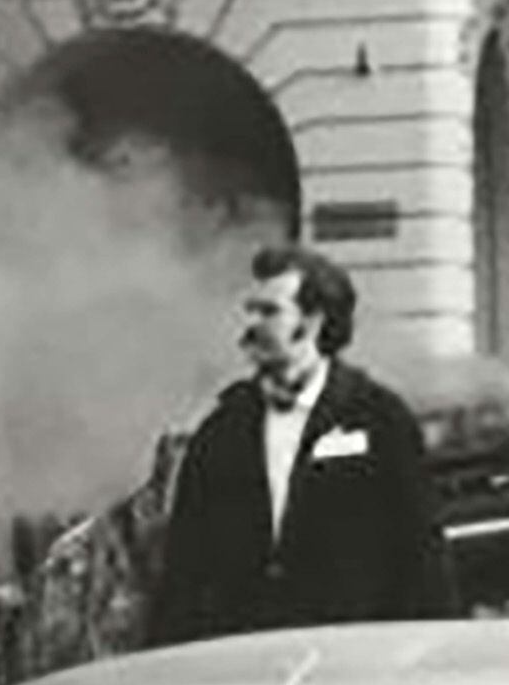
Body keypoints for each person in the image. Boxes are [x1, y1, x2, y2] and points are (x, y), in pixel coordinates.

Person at [151, 246, 456, 646]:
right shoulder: (224, 429)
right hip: (241, 663)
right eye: (251, 310)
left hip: (349, 664)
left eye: (269, 312)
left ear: (312, 322)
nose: (252, 324)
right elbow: (184, 568)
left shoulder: (378, 419)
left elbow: (422, 555)